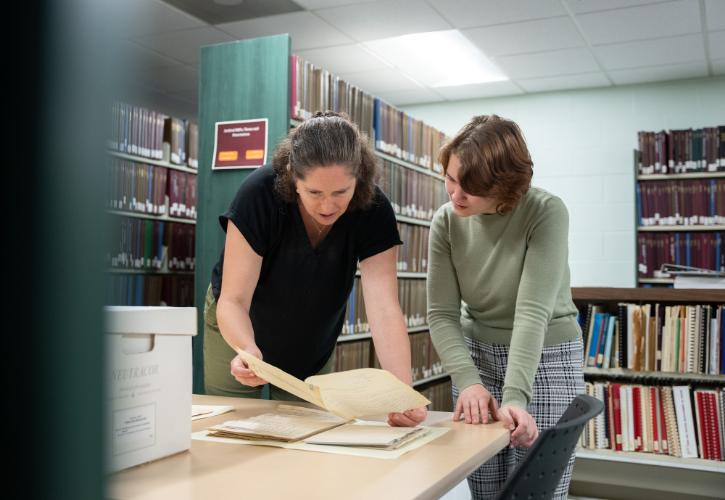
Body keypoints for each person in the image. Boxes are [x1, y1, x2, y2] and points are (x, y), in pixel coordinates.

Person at [204, 111, 426, 427]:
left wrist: (402, 392)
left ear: (359, 178)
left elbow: (384, 309)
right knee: (237, 427)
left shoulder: (374, 209)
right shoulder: (259, 194)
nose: (327, 206)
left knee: (310, 435)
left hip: (312, 336)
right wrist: (248, 350)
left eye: (341, 193)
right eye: (314, 193)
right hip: (239, 325)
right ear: (294, 177)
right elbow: (233, 300)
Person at [427, 115, 584, 498]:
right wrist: (468, 381)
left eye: (472, 187)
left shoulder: (545, 211)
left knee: (534, 492)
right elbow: (442, 314)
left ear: (507, 186)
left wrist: (515, 397)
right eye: (450, 177)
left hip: (546, 355)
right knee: (485, 490)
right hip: (477, 356)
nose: (456, 194)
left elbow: (532, 313)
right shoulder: (445, 222)